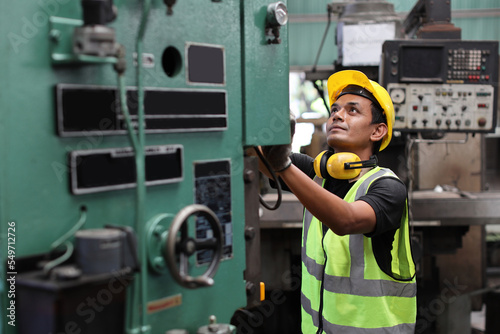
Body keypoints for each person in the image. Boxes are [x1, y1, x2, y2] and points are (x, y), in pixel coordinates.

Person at [254, 70, 416, 333]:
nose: (337, 115)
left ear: (378, 131)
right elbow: (258, 155)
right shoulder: (317, 176)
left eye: (353, 111)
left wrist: (282, 164)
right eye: (334, 110)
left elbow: (346, 219)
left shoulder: (387, 188)